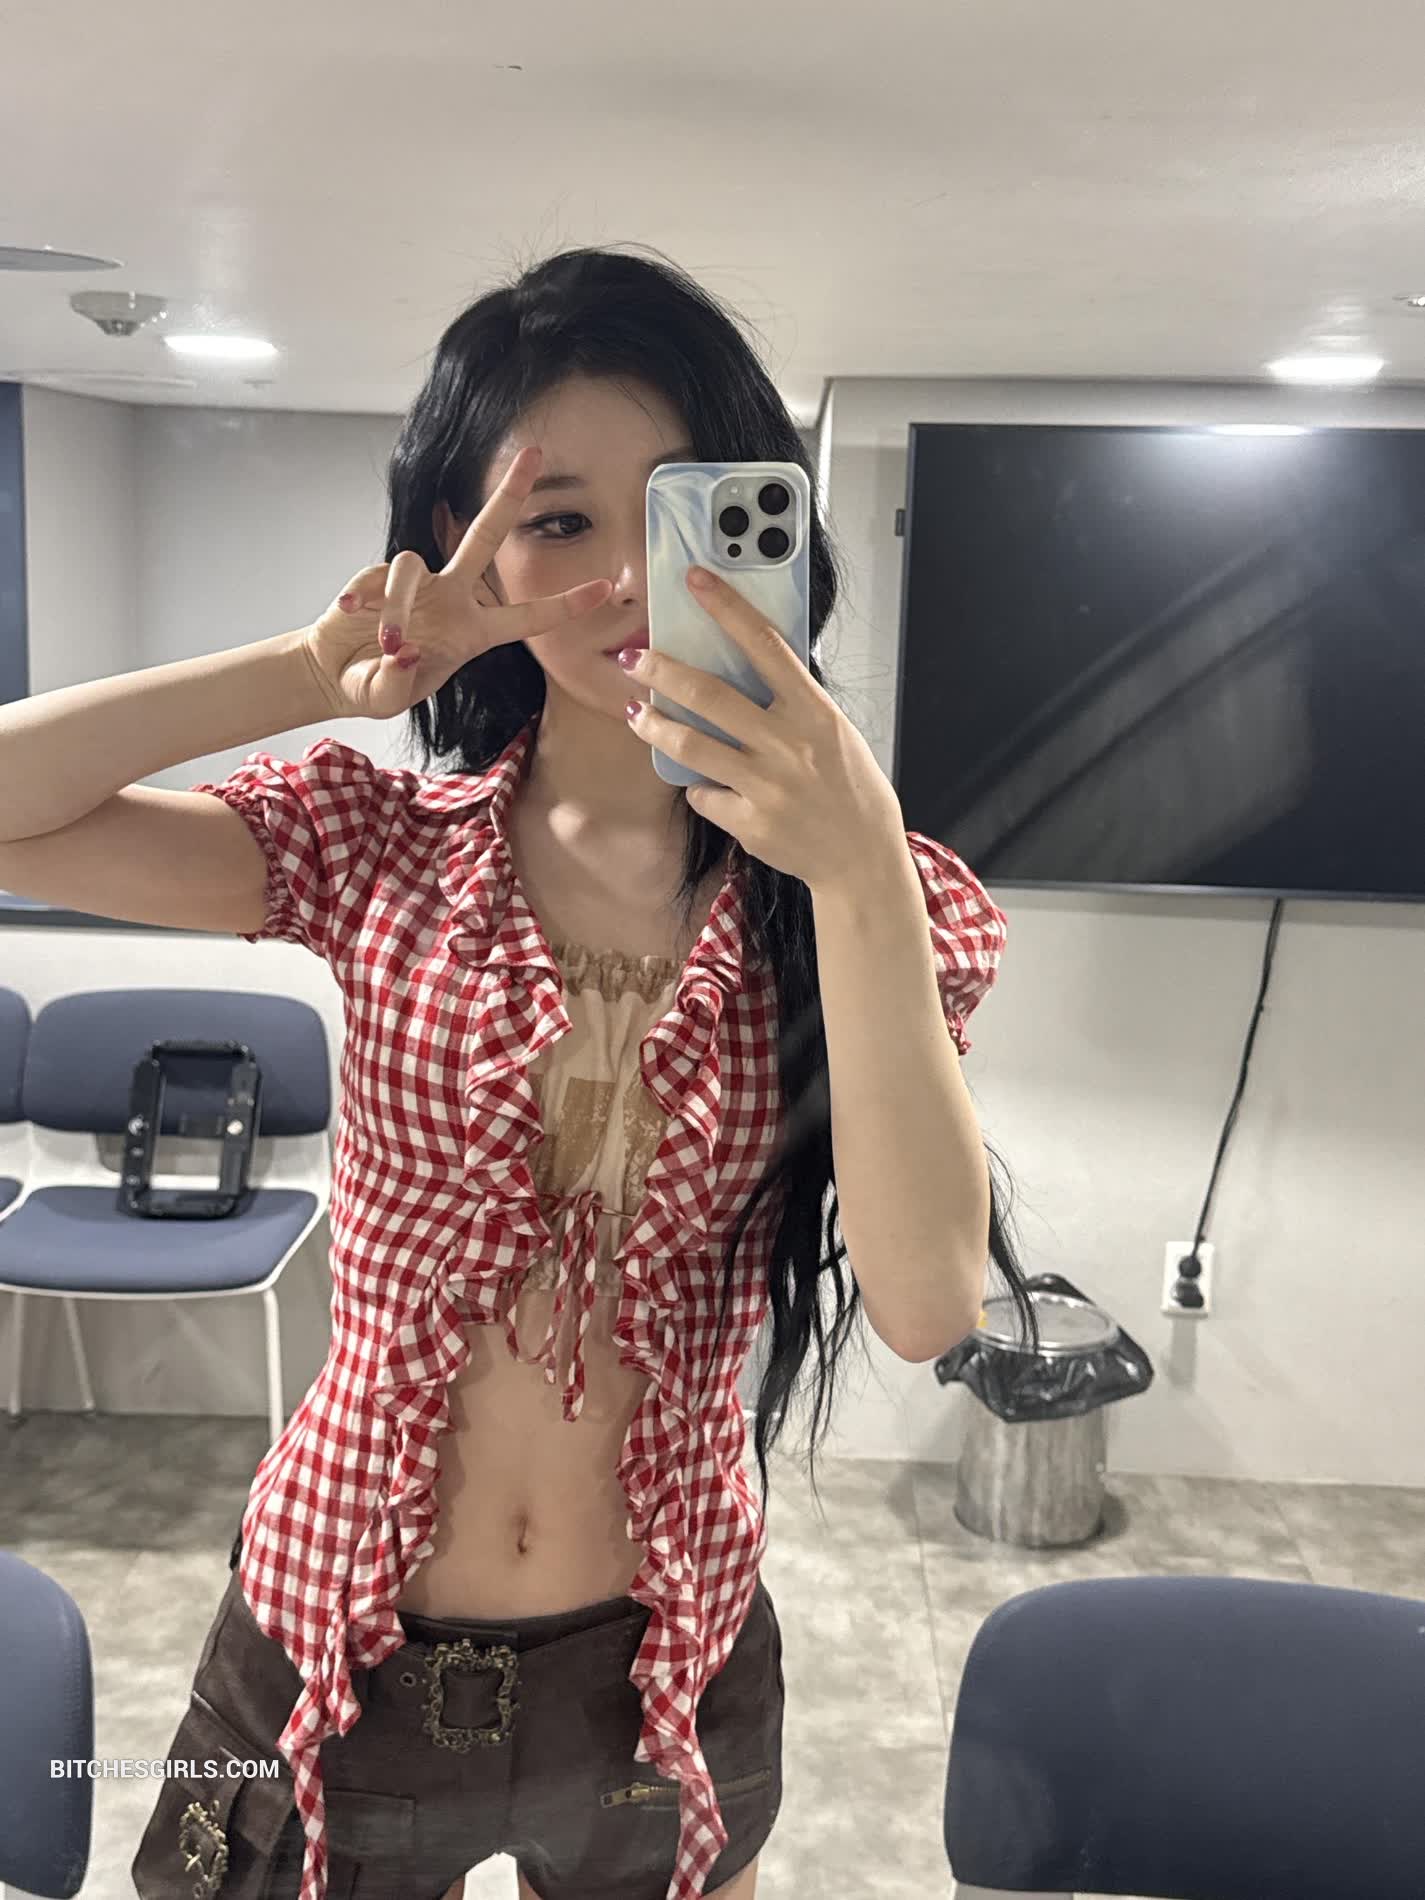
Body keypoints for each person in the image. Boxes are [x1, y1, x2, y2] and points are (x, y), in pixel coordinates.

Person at [0, 244, 1038, 1900]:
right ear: (463, 548)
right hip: (333, 1621)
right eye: (556, 520)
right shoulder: (372, 845)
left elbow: (926, 1308)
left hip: (663, 1657)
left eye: (681, 510)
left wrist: (851, 860)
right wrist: (307, 671)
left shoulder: (875, 904)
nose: (624, 577)